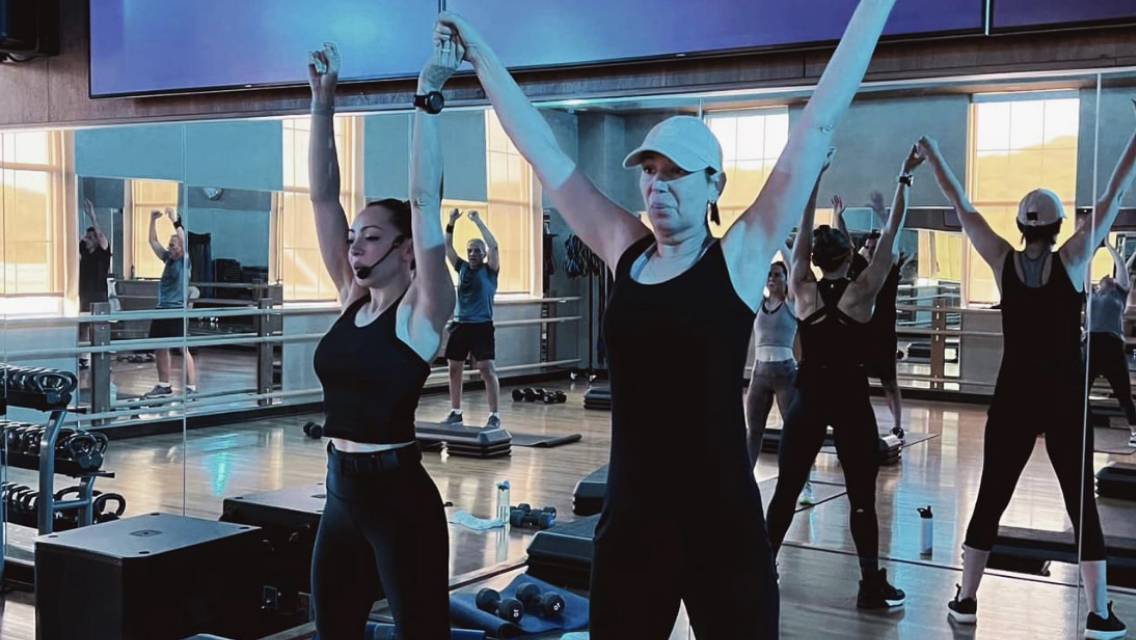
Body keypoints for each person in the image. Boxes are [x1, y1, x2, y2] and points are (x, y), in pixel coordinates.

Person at [433, 1, 898, 635]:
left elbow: (816, 123)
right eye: (651, 172)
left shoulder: (736, 258)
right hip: (632, 522)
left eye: (677, 173)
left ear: (715, 186)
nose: (659, 186)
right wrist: (480, 57)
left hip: (721, 522)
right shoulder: (625, 251)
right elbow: (544, 153)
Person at [920, 97, 1136, 637]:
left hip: (1014, 395)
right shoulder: (1073, 258)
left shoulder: (1002, 260)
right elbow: (1112, 196)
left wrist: (939, 155)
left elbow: (962, 204)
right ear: (1061, 225)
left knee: (991, 494)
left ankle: (966, 601)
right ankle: (1099, 613)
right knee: (1080, 504)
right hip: (1064, 396)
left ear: (1019, 224)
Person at [305, 39, 458, 640]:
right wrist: (322, 103)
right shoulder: (351, 296)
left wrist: (427, 100)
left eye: (371, 237)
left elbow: (425, 201)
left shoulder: (424, 313)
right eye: (354, 236)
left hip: (401, 503)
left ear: (403, 249)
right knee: (333, 631)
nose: (354, 245)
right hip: (340, 495)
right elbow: (322, 196)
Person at [766, 144, 924, 610]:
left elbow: (797, 245)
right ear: (850, 252)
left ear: (814, 258)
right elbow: (893, 231)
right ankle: (869, 584)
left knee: (788, 489)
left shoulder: (801, 289)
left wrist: (814, 176)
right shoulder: (863, 291)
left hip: (809, 396)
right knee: (860, 498)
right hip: (851, 400)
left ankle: (761, 568)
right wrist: (904, 177)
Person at [835, 191, 905, 438]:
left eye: (876, 248)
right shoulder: (859, 266)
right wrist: (838, 216)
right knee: (857, 381)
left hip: (884, 334)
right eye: (869, 247)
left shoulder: (888, 268)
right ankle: (857, 422)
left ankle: (897, 424)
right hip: (861, 334)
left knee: (889, 382)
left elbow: (891, 235)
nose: (873, 251)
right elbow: (843, 242)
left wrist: (881, 212)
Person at [441, 208, 502, 429]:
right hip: (460, 325)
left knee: (486, 368)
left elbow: (494, 246)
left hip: (482, 326)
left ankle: (494, 415)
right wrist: (451, 222)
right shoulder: (463, 268)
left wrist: (477, 221)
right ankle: (455, 412)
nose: (473, 254)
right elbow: (447, 247)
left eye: (477, 251)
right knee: (454, 368)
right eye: (470, 251)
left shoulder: (490, 271)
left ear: (483, 254)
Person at [1087, 241, 1136, 446]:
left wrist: (1108, 245)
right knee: (1078, 391)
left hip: (1112, 345)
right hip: (1091, 344)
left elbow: (1122, 267)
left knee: (1123, 393)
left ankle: (1134, 431)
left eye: (1111, 277)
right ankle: (1068, 427)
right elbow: (1085, 265)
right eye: (1103, 278)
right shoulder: (1092, 294)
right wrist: (1092, 248)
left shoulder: (1119, 294)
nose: (1107, 277)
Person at [145, 207, 197, 397]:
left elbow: (183, 241)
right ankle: (164, 385)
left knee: (183, 349)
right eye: (170, 245)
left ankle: (191, 388)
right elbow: (152, 241)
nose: (170, 247)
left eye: (173, 245)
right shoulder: (168, 259)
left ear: (182, 248)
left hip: (176, 310)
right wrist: (152, 220)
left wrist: (176, 222)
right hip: (162, 309)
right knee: (160, 348)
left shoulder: (185, 261)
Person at [79, 198, 112, 369]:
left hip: (98, 295)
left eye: (90, 237)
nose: (87, 239)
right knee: (82, 327)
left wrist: (92, 216)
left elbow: (100, 236)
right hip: (84, 294)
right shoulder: (84, 251)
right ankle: (84, 357)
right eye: (87, 236)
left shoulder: (103, 252)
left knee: (98, 328)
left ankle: (101, 356)